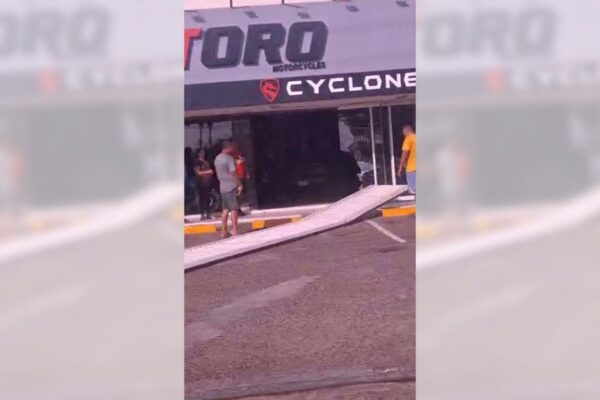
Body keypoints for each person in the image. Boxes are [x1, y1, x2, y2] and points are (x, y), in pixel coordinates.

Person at [214, 140, 243, 238]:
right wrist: (239, 184)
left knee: (225, 209)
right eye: (232, 146)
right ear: (228, 147)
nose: (233, 148)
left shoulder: (217, 158)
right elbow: (233, 172)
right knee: (234, 208)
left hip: (223, 186)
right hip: (231, 186)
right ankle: (235, 230)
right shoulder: (228, 158)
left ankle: (223, 231)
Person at [194, 148, 214, 220]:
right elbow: (198, 172)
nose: (203, 153)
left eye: (204, 152)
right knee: (202, 199)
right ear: (198, 153)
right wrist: (208, 172)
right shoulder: (197, 162)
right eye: (202, 152)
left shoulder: (206, 161)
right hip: (201, 182)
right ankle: (202, 214)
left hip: (208, 182)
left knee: (208, 198)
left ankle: (208, 213)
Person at [398, 125, 416, 195]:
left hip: (412, 169)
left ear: (406, 131)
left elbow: (405, 153)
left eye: (404, 133)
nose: (404, 135)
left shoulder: (408, 139)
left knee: (413, 191)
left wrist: (400, 168)